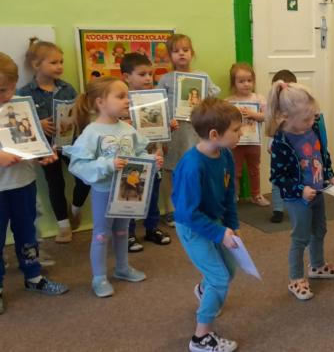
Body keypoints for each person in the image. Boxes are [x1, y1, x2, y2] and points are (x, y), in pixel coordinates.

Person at [64, 77, 163, 298]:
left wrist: (151, 161)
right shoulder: (92, 132)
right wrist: (107, 164)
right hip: (104, 191)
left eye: (127, 96)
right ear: (100, 102)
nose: (127, 101)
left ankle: (122, 268)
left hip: (127, 191)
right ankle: (99, 277)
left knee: (122, 231)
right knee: (101, 234)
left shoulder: (127, 128)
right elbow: (78, 165)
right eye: (120, 96)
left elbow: (138, 154)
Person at [171, 98, 243, 352]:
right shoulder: (192, 166)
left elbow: (229, 194)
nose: (241, 133)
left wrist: (232, 225)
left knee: (229, 270)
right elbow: (187, 214)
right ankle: (201, 337)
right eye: (236, 130)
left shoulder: (225, 155)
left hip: (216, 223)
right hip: (193, 228)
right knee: (220, 278)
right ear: (214, 134)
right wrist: (219, 232)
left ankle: (204, 291)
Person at [0, 52, 69, 314]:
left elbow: (32, 140)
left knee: (27, 233)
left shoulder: (20, 105)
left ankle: (33, 276)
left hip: (23, 183)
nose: (4, 95)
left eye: (7, 89)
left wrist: (43, 153)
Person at [267, 81, 334, 300]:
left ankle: (317, 265)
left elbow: (322, 154)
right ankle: (296, 278)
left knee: (319, 230)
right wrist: (300, 190)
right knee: (300, 238)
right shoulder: (281, 142)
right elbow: (278, 177)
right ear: (286, 117)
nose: (312, 122)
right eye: (306, 119)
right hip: (298, 199)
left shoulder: (313, 128)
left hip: (318, 192)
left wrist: (330, 174)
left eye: (313, 117)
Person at [17, 37, 91, 243]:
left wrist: (76, 118)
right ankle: (63, 225)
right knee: (55, 183)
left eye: (61, 62)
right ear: (36, 65)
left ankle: (75, 208)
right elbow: (19, 123)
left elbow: (78, 112)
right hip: (45, 146)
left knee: (85, 176)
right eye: (54, 62)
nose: (59, 66)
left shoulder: (67, 88)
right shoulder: (25, 93)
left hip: (69, 142)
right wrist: (38, 124)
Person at [156, 34, 221, 227]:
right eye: (176, 51)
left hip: (196, 130)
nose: (181, 54)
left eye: (185, 50)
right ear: (170, 56)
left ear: (192, 53)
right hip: (175, 131)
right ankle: (170, 210)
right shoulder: (166, 79)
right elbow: (158, 103)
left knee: (196, 166)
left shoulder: (202, 76)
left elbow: (213, 96)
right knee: (171, 169)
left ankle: (197, 206)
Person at [122, 52, 174, 251]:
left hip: (154, 156)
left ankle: (152, 228)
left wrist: (168, 127)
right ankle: (128, 233)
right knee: (131, 194)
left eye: (150, 74)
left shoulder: (155, 98)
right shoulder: (122, 100)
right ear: (127, 77)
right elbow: (113, 125)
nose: (148, 78)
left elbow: (158, 126)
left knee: (153, 194)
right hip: (132, 159)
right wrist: (125, 124)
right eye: (142, 74)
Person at [225, 63, 269, 207]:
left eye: (249, 80)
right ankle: (234, 196)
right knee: (235, 170)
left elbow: (267, 116)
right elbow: (223, 120)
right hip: (235, 143)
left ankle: (256, 195)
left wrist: (253, 114)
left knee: (254, 170)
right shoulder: (229, 102)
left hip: (253, 142)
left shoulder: (258, 99)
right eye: (241, 81)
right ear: (234, 83)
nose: (246, 84)